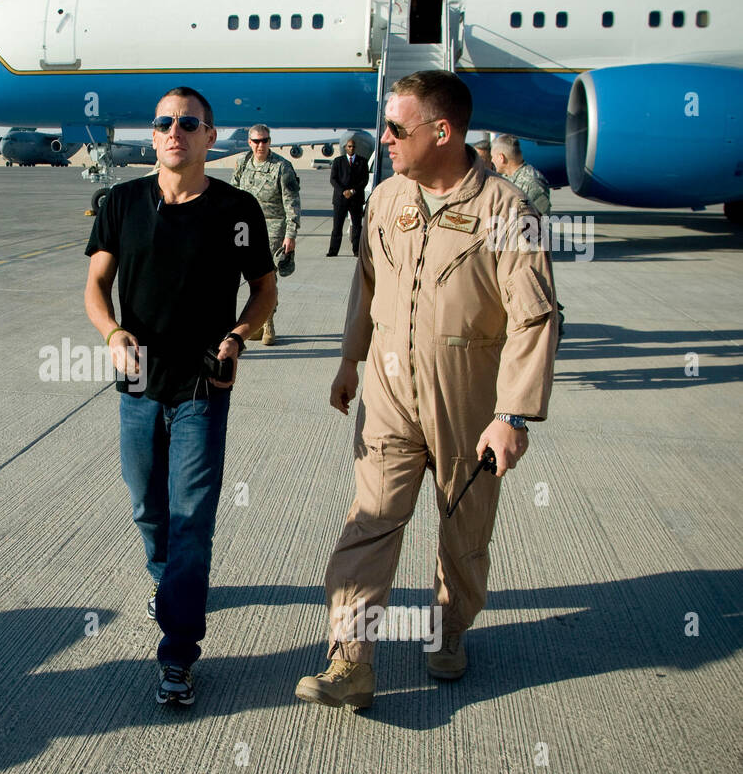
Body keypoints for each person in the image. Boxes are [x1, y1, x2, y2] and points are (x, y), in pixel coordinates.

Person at [294, 71, 558, 709]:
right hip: (386, 393)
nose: (382, 137)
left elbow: (535, 316)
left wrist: (514, 414)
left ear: (442, 132)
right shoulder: (386, 197)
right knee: (369, 523)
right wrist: (349, 360)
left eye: (396, 127)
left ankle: (450, 629)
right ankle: (351, 660)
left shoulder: (504, 209)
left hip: (466, 402)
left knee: (462, 533)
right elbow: (368, 283)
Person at [85, 87, 276, 705]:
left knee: (191, 518)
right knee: (147, 505)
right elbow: (96, 284)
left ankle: (177, 651)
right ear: (154, 132)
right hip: (138, 382)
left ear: (210, 136)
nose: (175, 132)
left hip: (201, 382)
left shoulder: (237, 208)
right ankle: (169, 585)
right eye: (165, 122)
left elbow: (265, 289)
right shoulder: (120, 201)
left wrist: (239, 335)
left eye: (188, 123)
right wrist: (112, 331)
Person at [231, 124, 299, 345]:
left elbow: (292, 203)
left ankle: (268, 322)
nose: (261, 145)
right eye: (256, 141)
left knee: (267, 278)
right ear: (249, 142)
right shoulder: (242, 163)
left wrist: (291, 234)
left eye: (265, 141)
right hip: (244, 228)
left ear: (270, 141)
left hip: (273, 228)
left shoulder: (282, 167)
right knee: (245, 276)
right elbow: (233, 193)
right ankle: (256, 324)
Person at [327, 137, 369, 257]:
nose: (351, 149)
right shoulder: (338, 161)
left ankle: (357, 251)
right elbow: (333, 179)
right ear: (345, 147)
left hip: (356, 199)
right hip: (340, 199)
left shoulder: (362, 162)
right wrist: (343, 191)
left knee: (357, 226)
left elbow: (364, 180)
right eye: (349, 146)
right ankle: (333, 251)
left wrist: (353, 190)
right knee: (337, 226)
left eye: (353, 147)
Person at [491, 133, 552, 215]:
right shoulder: (505, 178)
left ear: (501, 158)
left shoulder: (533, 183)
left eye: (493, 157)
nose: (492, 161)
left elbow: (541, 220)